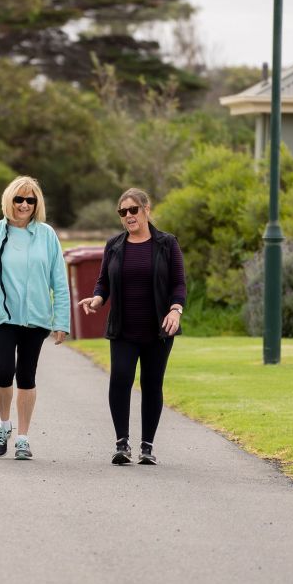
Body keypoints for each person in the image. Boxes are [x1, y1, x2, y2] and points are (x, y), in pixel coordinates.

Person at [0, 176, 70, 460]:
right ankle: (3, 424)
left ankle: (22, 437)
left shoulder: (47, 235)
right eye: (19, 199)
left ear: (37, 204)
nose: (24, 205)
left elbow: (59, 281)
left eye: (30, 200)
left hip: (36, 319)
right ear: (9, 201)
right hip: (2, 317)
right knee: (2, 372)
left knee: (26, 376)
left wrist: (62, 321)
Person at [78, 188, 186, 465]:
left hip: (158, 330)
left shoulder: (167, 243)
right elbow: (104, 281)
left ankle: (147, 446)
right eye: (123, 212)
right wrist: (98, 298)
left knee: (152, 384)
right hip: (124, 328)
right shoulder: (114, 245)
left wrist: (176, 310)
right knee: (121, 379)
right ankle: (121, 443)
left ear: (147, 209)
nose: (128, 216)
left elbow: (178, 284)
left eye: (133, 210)